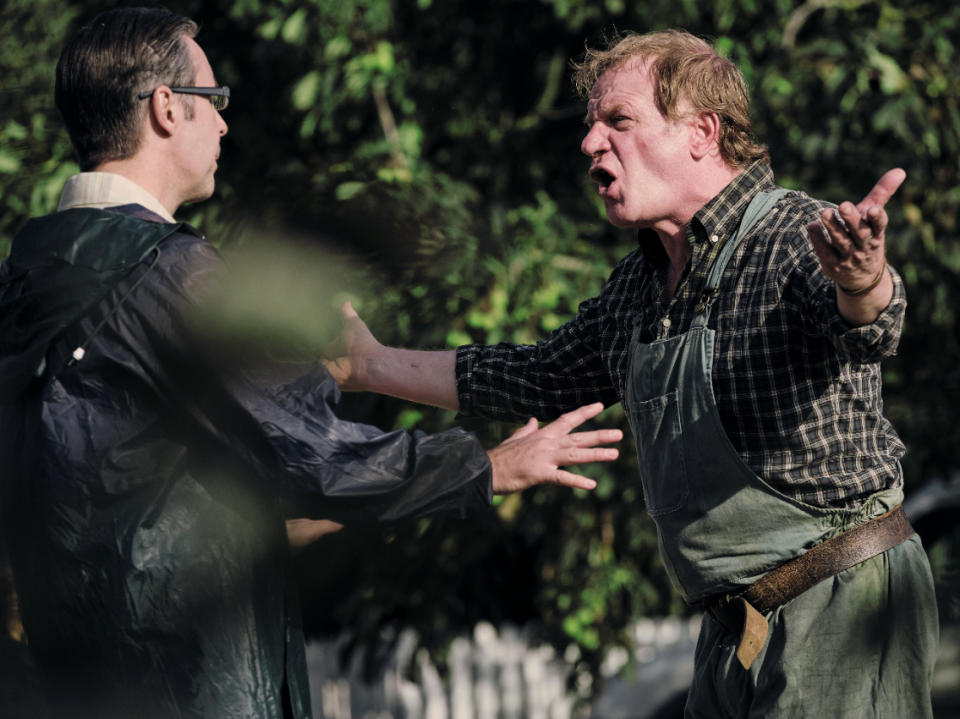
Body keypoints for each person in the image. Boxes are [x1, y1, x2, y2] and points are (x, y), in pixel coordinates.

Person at [0, 8, 623, 719]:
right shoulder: (168, 272)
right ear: (167, 109)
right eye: (215, 101)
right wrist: (488, 466)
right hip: (189, 680)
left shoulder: (26, 279)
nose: (226, 125)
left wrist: (305, 379)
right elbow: (311, 457)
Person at [326, 29, 939, 718]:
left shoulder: (793, 236)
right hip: (735, 629)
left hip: (840, 613)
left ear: (703, 133)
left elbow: (870, 326)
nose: (590, 143)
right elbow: (538, 378)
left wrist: (864, 279)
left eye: (617, 120)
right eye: (590, 126)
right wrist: (371, 366)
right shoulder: (639, 288)